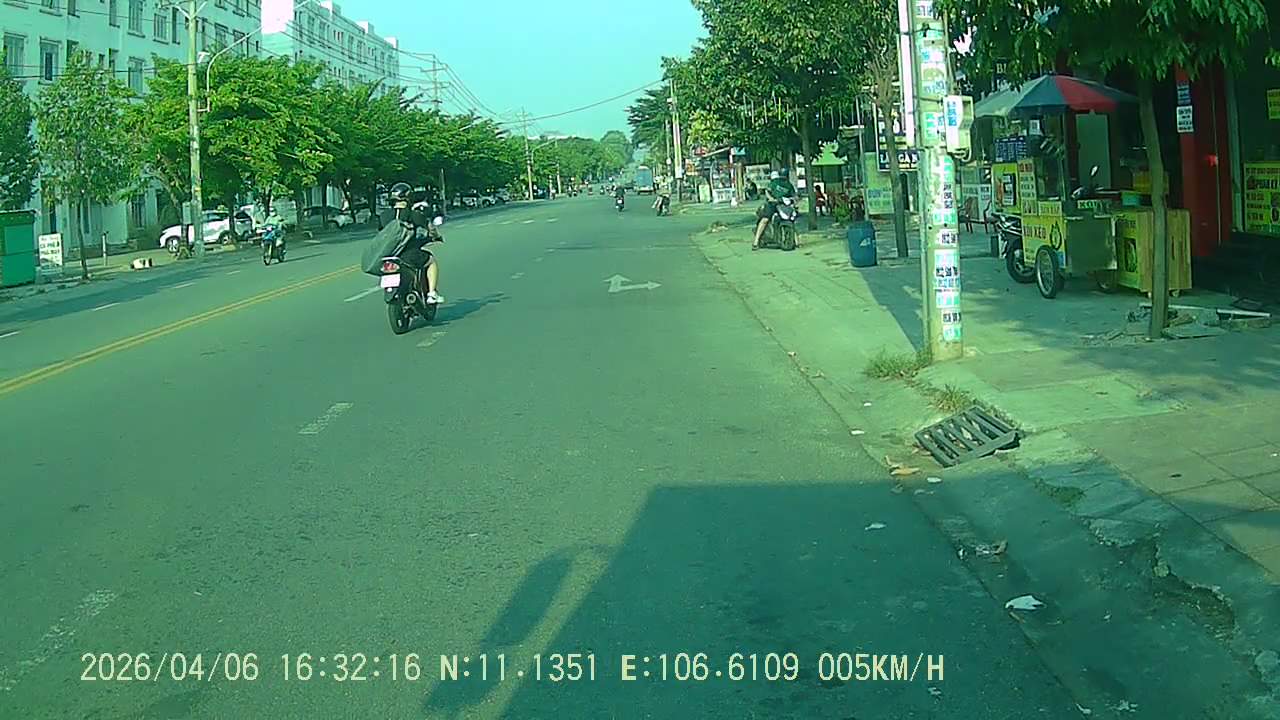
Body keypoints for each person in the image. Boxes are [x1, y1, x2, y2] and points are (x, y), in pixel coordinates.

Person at [389, 182, 443, 305]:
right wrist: (436, 236)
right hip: (409, 254)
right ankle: (432, 294)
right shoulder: (414, 215)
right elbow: (431, 229)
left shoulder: (383, 216)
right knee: (431, 261)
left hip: (389, 256)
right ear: (408, 197)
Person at [752, 168, 797, 250]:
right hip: (772, 204)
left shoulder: (789, 185)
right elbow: (767, 191)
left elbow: (793, 195)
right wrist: (771, 198)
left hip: (783, 205)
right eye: (782, 175)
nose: (783, 177)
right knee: (765, 219)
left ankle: (795, 240)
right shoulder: (775, 182)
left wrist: (794, 200)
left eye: (785, 175)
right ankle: (756, 241)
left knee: (791, 219)